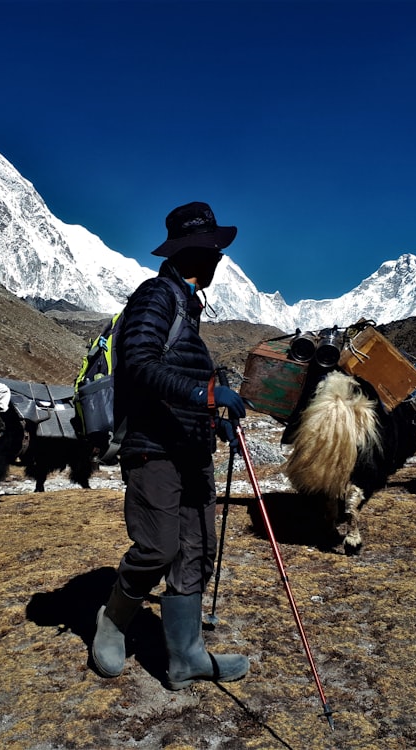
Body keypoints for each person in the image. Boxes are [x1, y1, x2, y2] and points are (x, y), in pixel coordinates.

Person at [91, 201, 250, 689]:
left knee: (195, 551)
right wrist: (204, 392)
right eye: (213, 249)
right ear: (191, 252)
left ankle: (186, 656)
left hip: (189, 447)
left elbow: (173, 372)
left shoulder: (188, 307)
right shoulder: (156, 296)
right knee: (158, 548)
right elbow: (138, 363)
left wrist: (211, 420)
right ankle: (113, 621)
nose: (220, 258)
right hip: (153, 448)